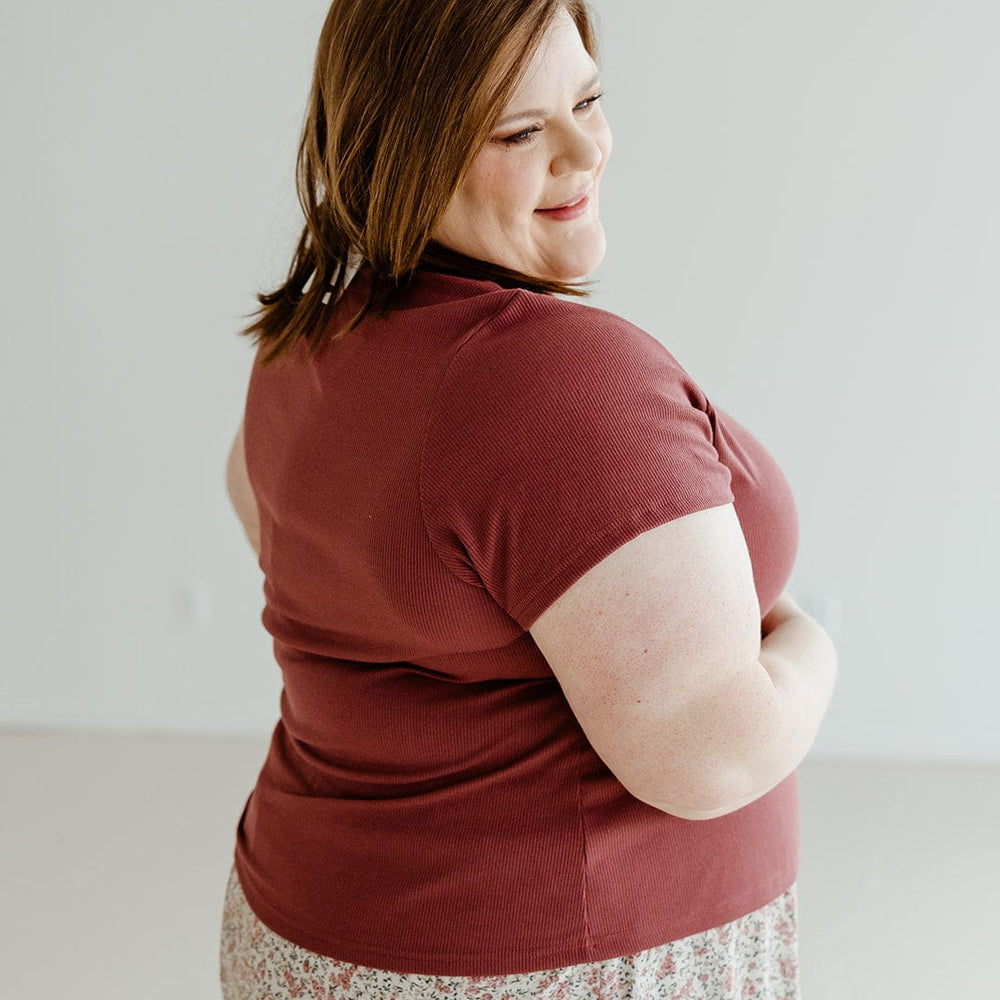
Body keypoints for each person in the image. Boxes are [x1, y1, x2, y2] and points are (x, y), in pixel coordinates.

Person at [221, 1, 838, 997]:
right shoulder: (562, 383)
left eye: (588, 98)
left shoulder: (312, 342)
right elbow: (711, 755)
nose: (582, 150)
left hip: (309, 933)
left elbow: (262, 510)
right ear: (401, 147)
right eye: (518, 131)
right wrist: (808, 641)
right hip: (543, 965)